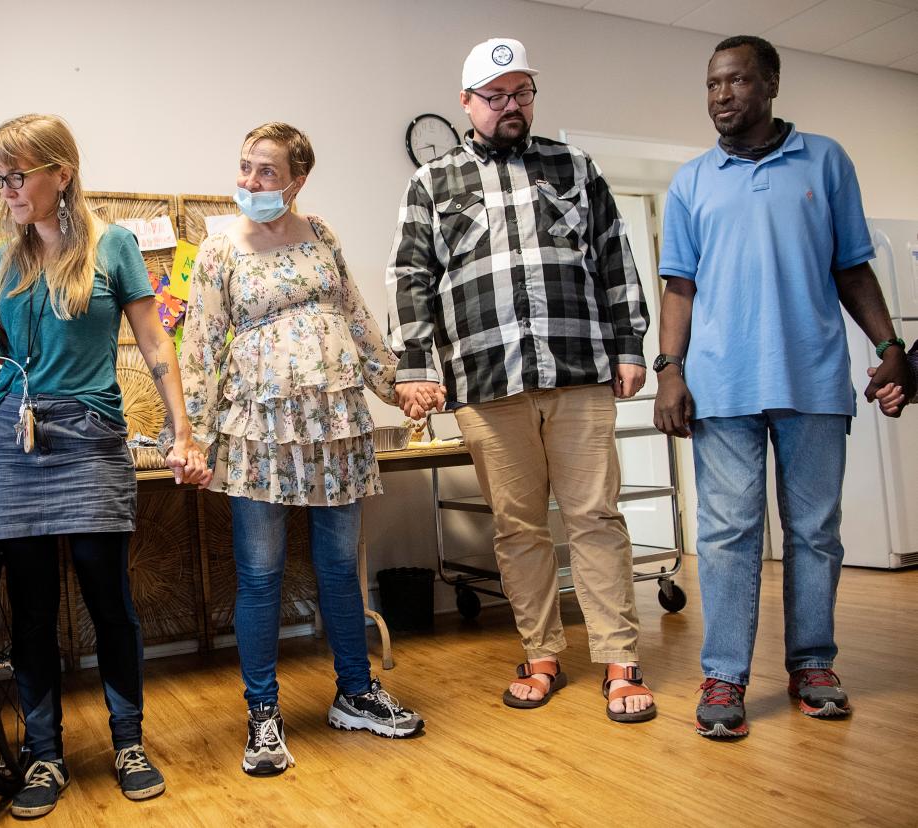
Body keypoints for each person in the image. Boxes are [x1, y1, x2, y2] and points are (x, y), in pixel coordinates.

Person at [385, 38, 657, 723]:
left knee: (596, 516)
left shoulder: (574, 167)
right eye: (497, 96)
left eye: (523, 93)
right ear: (467, 102)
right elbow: (410, 279)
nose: (512, 107)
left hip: (579, 370)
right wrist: (416, 367)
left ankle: (620, 660)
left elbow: (615, 259)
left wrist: (630, 344)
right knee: (518, 527)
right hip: (487, 379)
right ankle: (541, 654)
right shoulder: (433, 183)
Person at [0, 113, 209, 817]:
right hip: (14, 439)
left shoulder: (113, 245)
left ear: (60, 173)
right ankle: (45, 757)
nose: (5, 189)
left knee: (106, 596)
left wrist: (182, 431)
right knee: (29, 609)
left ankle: (128, 742)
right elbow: (10, 361)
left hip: (89, 437)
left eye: (16, 174)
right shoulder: (6, 257)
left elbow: (156, 345)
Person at [654, 35, 915, 740]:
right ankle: (725, 674)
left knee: (813, 533)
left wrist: (890, 346)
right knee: (729, 532)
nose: (721, 96)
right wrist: (669, 369)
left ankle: (813, 665)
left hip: (813, 378)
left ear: (769, 85)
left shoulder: (825, 161)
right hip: (721, 384)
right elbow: (680, 285)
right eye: (712, 84)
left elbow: (852, 267)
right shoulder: (692, 182)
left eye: (736, 82)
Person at [180, 121, 426, 777]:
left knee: (341, 566)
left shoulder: (322, 236)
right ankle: (263, 716)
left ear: (297, 180)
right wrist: (193, 438)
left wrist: (397, 387)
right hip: (259, 433)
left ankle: (356, 693)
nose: (251, 182)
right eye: (244, 167)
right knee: (260, 575)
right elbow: (199, 350)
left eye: (266, 171)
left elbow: (356, 317)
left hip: (337, 427)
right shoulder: (219, 251)